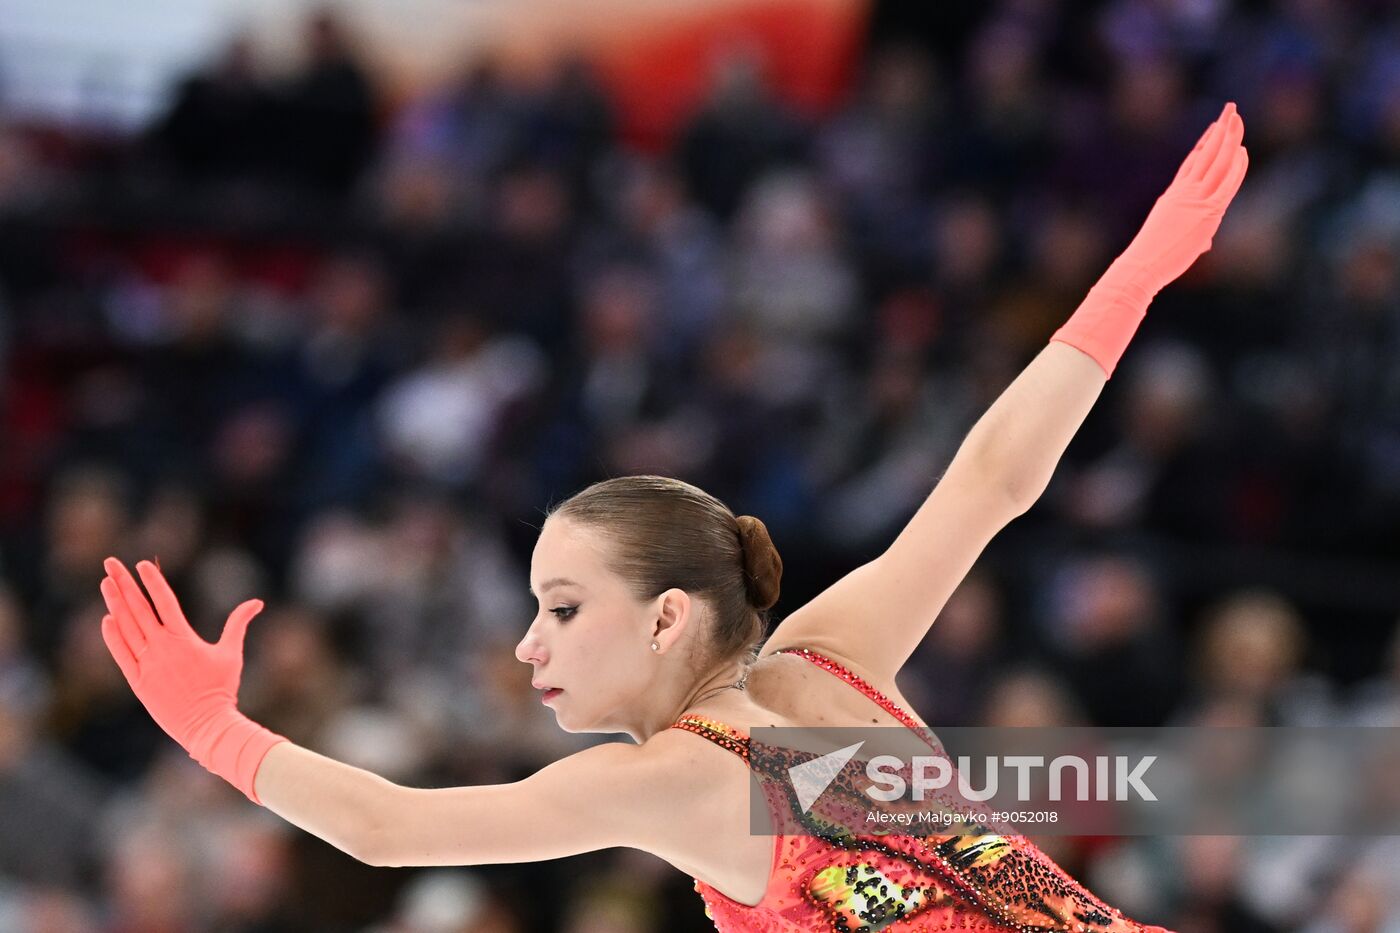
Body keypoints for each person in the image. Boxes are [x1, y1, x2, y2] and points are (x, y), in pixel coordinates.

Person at [97, 102, 1248, 932]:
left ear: (663, 619)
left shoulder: (683, 777)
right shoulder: (828, 663)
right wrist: (1130, 278)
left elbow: (390, 830)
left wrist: (221, 739)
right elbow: (989, 481)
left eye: (558, 606)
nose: (525, 644)